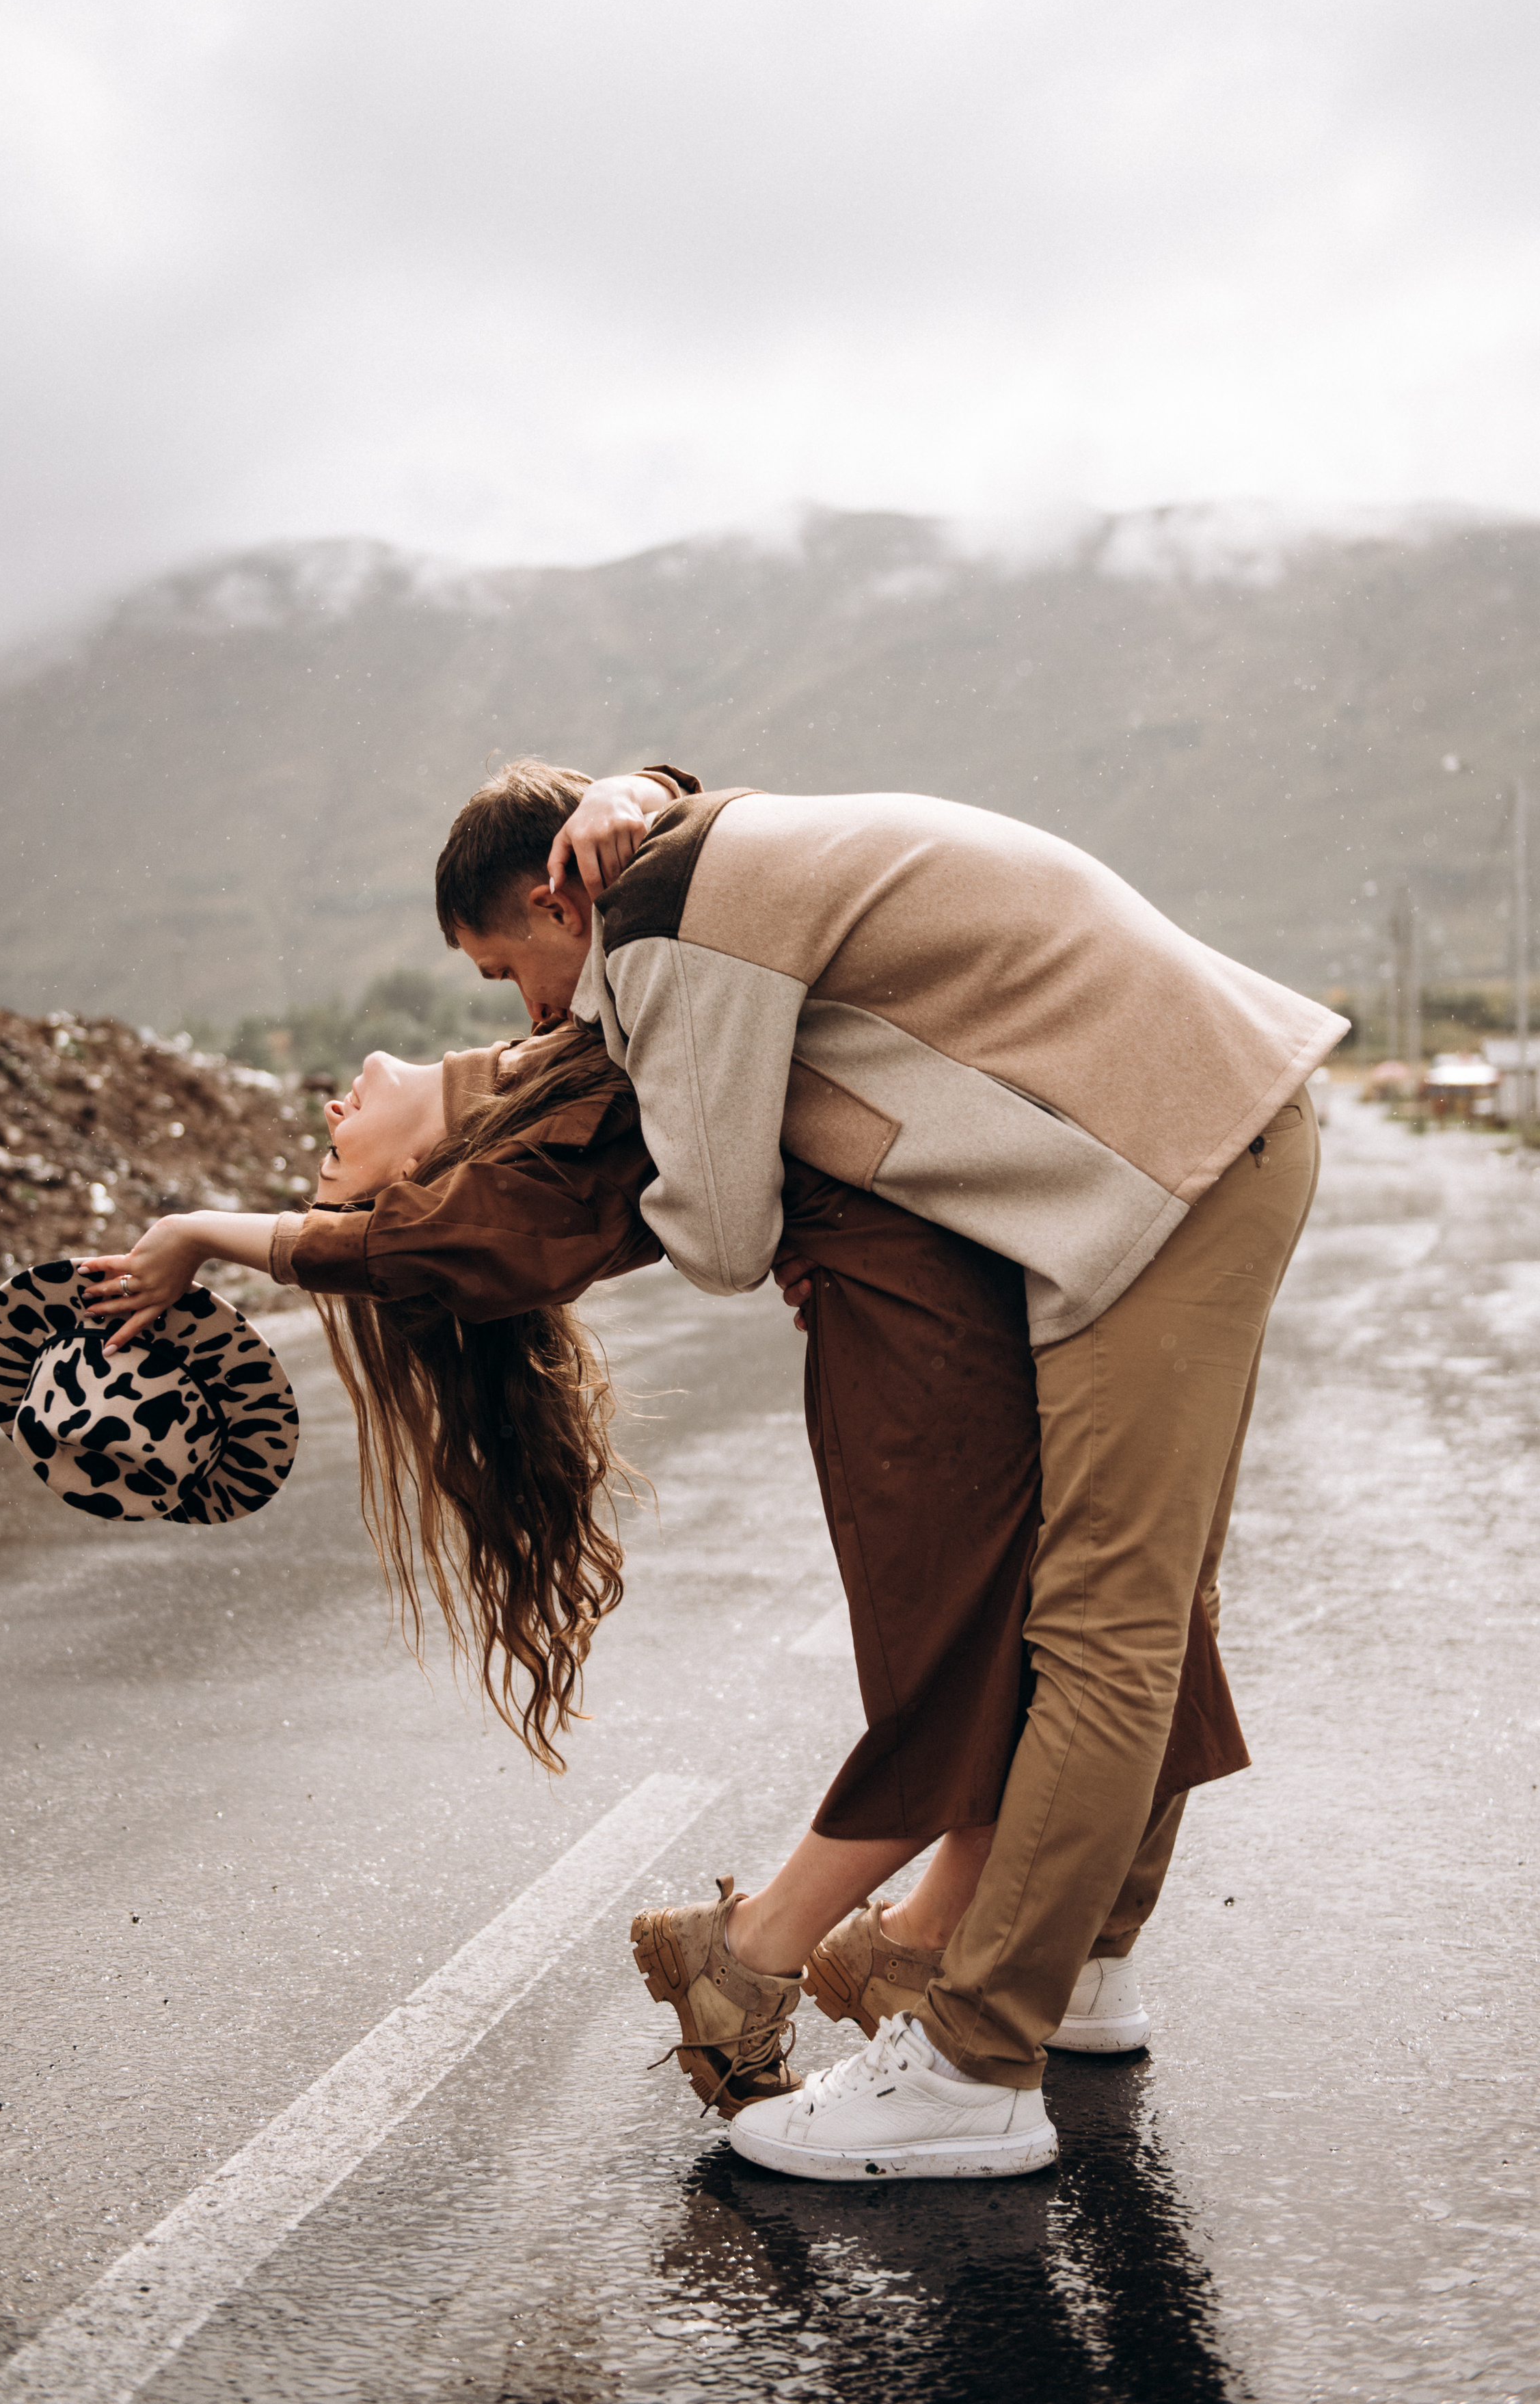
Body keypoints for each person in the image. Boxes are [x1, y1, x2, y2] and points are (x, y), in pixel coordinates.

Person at [79, 1017, 1244, 2179]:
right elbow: (435, 1240)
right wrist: (204, 1233)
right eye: (339, 1175)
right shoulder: (535, 1149)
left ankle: (915, 1940)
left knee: (1096, 1638)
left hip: (992, 1271)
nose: (329, 1122)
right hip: (938, 1314)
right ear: (425, 1181)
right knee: (1038, 1656)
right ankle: (801, 1946)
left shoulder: (566, 1040)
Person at [431, 759, 1341, 2181]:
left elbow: (718, 1232)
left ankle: (973, 2067)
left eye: (509, 970)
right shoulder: (697, 848)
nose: (535, 1011)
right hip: (1200, 1131)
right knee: (1149, 1605)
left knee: (1102, 1626)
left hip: (1160, 1166)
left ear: (556, 902)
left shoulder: (658, 914)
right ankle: (1077, 1962)